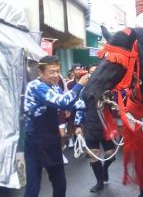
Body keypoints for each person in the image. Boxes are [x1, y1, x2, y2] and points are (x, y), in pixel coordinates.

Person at [23, 55, 89, 197]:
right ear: (40, 72)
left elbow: (72, 104)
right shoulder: (35, 86)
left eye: (58, 71)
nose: (56, 75)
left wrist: (92, 104)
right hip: (36, 142)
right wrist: (80, 84)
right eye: (51, 72)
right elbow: (63, 102)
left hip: (51, 141)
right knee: (33, 187)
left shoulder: (54, 87)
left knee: (60, 184)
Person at [74, 64, 116, 193]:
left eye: (96, 71)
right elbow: (79, 108)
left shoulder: (108, 88)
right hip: (91, 125)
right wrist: (77, 126)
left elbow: (115, 106)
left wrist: (111, 103)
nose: (94, 74)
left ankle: (104, 169)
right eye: (91, 72)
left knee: (110, 154)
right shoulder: (84, 90)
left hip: (105, 125)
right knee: (94, 154)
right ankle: (99, 182)